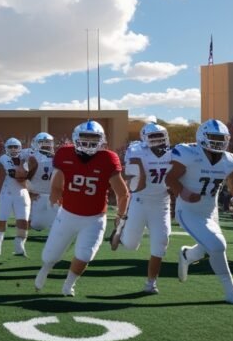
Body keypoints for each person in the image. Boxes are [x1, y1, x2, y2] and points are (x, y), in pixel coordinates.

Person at [34, 120, 130, 297]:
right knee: (50, 255)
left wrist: (120, 216)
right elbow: (56, 185)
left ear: (101, 140)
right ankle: (45, 269)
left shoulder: (108, 158)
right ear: (75, 138)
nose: (88, 142)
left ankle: (68, 285)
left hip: (94, 218)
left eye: (93, 138)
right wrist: (54, 201)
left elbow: (123, 193)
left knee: (85, 255)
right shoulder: (65, 154)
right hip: (68, 213)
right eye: (84, 138)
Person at [167, 119, 233, 306]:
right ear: (202, 137)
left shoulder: (229, 160)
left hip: (210, 210)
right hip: (188, 210)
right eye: (214, 138)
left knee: (209, 246)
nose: (218, 142)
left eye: (221, 138)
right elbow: (170, 177)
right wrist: (183, 192)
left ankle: (187, 256)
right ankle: (231, 292)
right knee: (217, 246)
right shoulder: (189, 154)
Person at [110, 123, 172, 295]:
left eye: (160, 135)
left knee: (161, 242)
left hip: (162, 204)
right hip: (140, 201)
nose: (157, 139)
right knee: (130, 245)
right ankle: (120, 230)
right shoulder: (137, 150)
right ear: (144, 138)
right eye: (152, 136)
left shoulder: (174, 152)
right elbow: (135, 179)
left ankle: (151, 283)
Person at [0, 137, 31, 256]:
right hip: (7, 193)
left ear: (20, 148)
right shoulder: (4, 158)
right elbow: (14, 174)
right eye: (11, 147)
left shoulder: (26, 157)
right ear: (6, 148)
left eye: (16, 147)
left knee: (23, 222)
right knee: (2, 220)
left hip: (22, 194)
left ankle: (19, 246)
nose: (13, 149)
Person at [25, 132, 56, 232]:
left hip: (53, 195)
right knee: (37, 225)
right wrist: (28, 193)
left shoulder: (57, 158)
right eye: (44, 142)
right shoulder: (32, 158)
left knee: (55, 225)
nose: (46, 145)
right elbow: (24, 178)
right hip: (37, 195)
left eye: (48, 142)